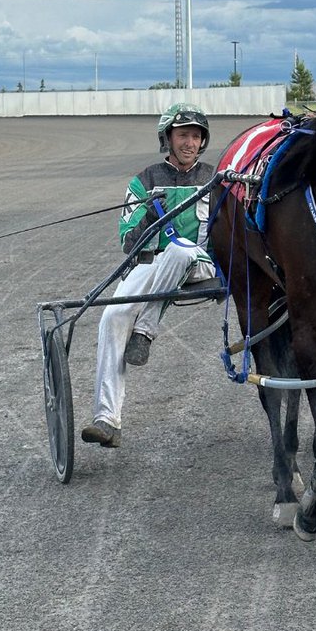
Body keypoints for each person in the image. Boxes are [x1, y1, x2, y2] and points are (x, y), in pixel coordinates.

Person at [80, 104, 216, 449]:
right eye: (183, 135)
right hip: (150, 265)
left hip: (200, 266)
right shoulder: (144, 181)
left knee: (182, 251)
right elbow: (127, 241)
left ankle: (145, 329)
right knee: (111, 316)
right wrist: (151, 212)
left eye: (196, 136)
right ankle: (106, 419)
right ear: (167, 138)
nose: (190, 142)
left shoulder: (216, 179)